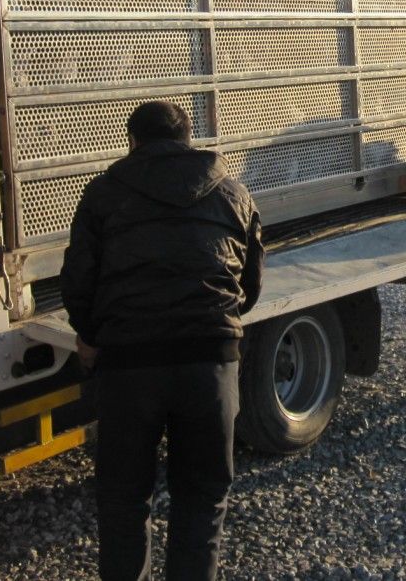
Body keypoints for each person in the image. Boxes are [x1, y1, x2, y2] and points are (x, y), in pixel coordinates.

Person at [60, 101, 263, 581]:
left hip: (128, 366)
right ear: (188, 141)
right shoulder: (234, 193)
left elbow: (78, 282)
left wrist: (90, 335)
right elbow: (250, 288)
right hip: (210, 364)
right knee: (202, 498)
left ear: (132, 142)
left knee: (124, 499)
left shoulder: (103, 193)